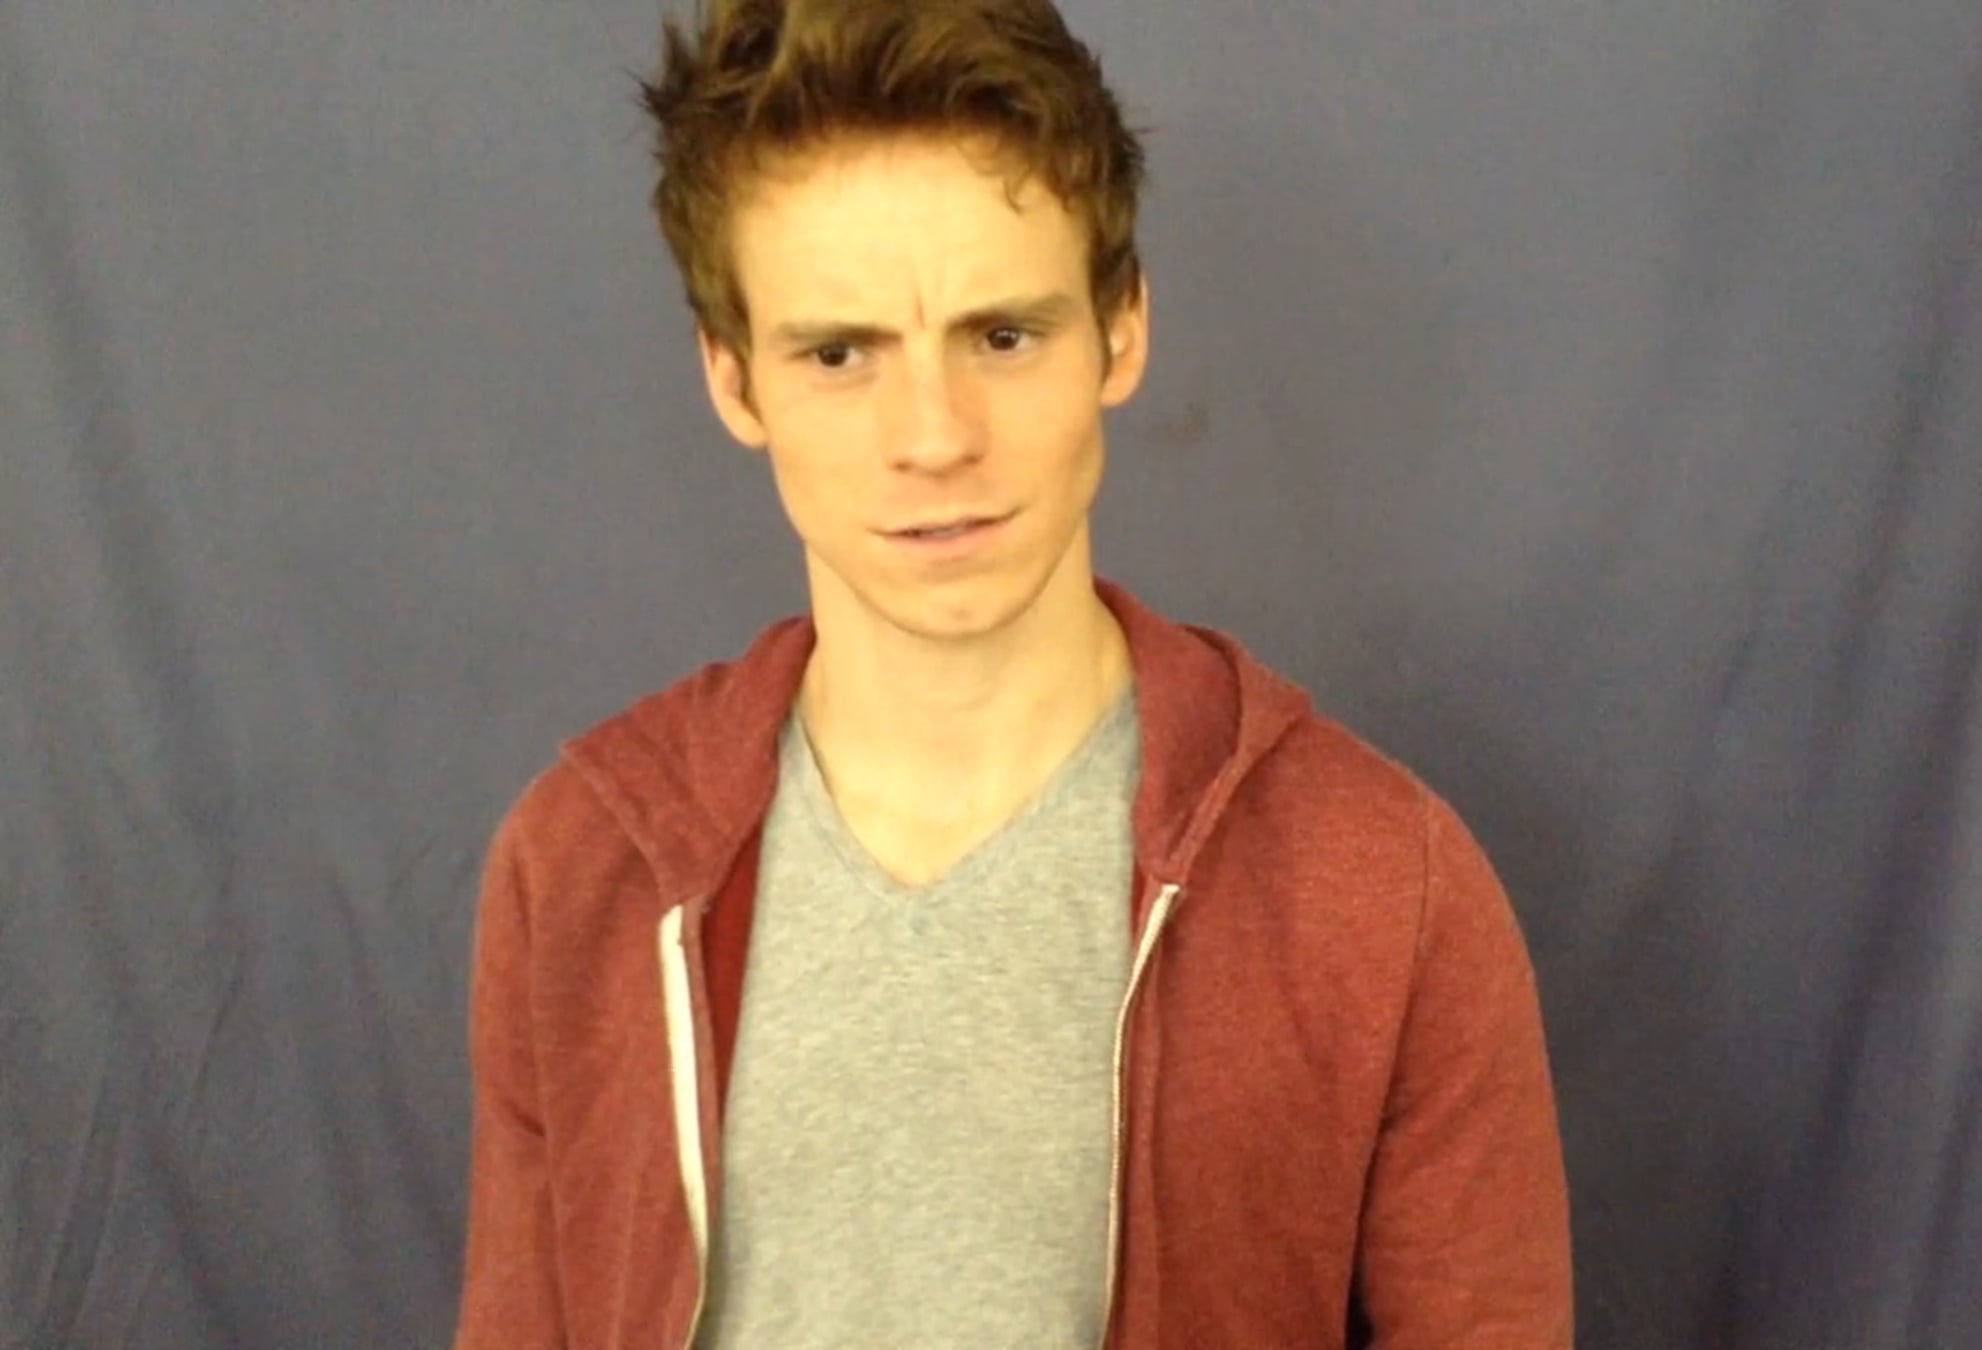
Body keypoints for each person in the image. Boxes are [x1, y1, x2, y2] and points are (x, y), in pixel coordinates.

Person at [453, 0, 1572, 1345]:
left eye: (1003, 336)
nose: (934, 437)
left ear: (1122, 329)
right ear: (733, 381)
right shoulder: (582, 870)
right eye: (839, 354)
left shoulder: (1381, 886)